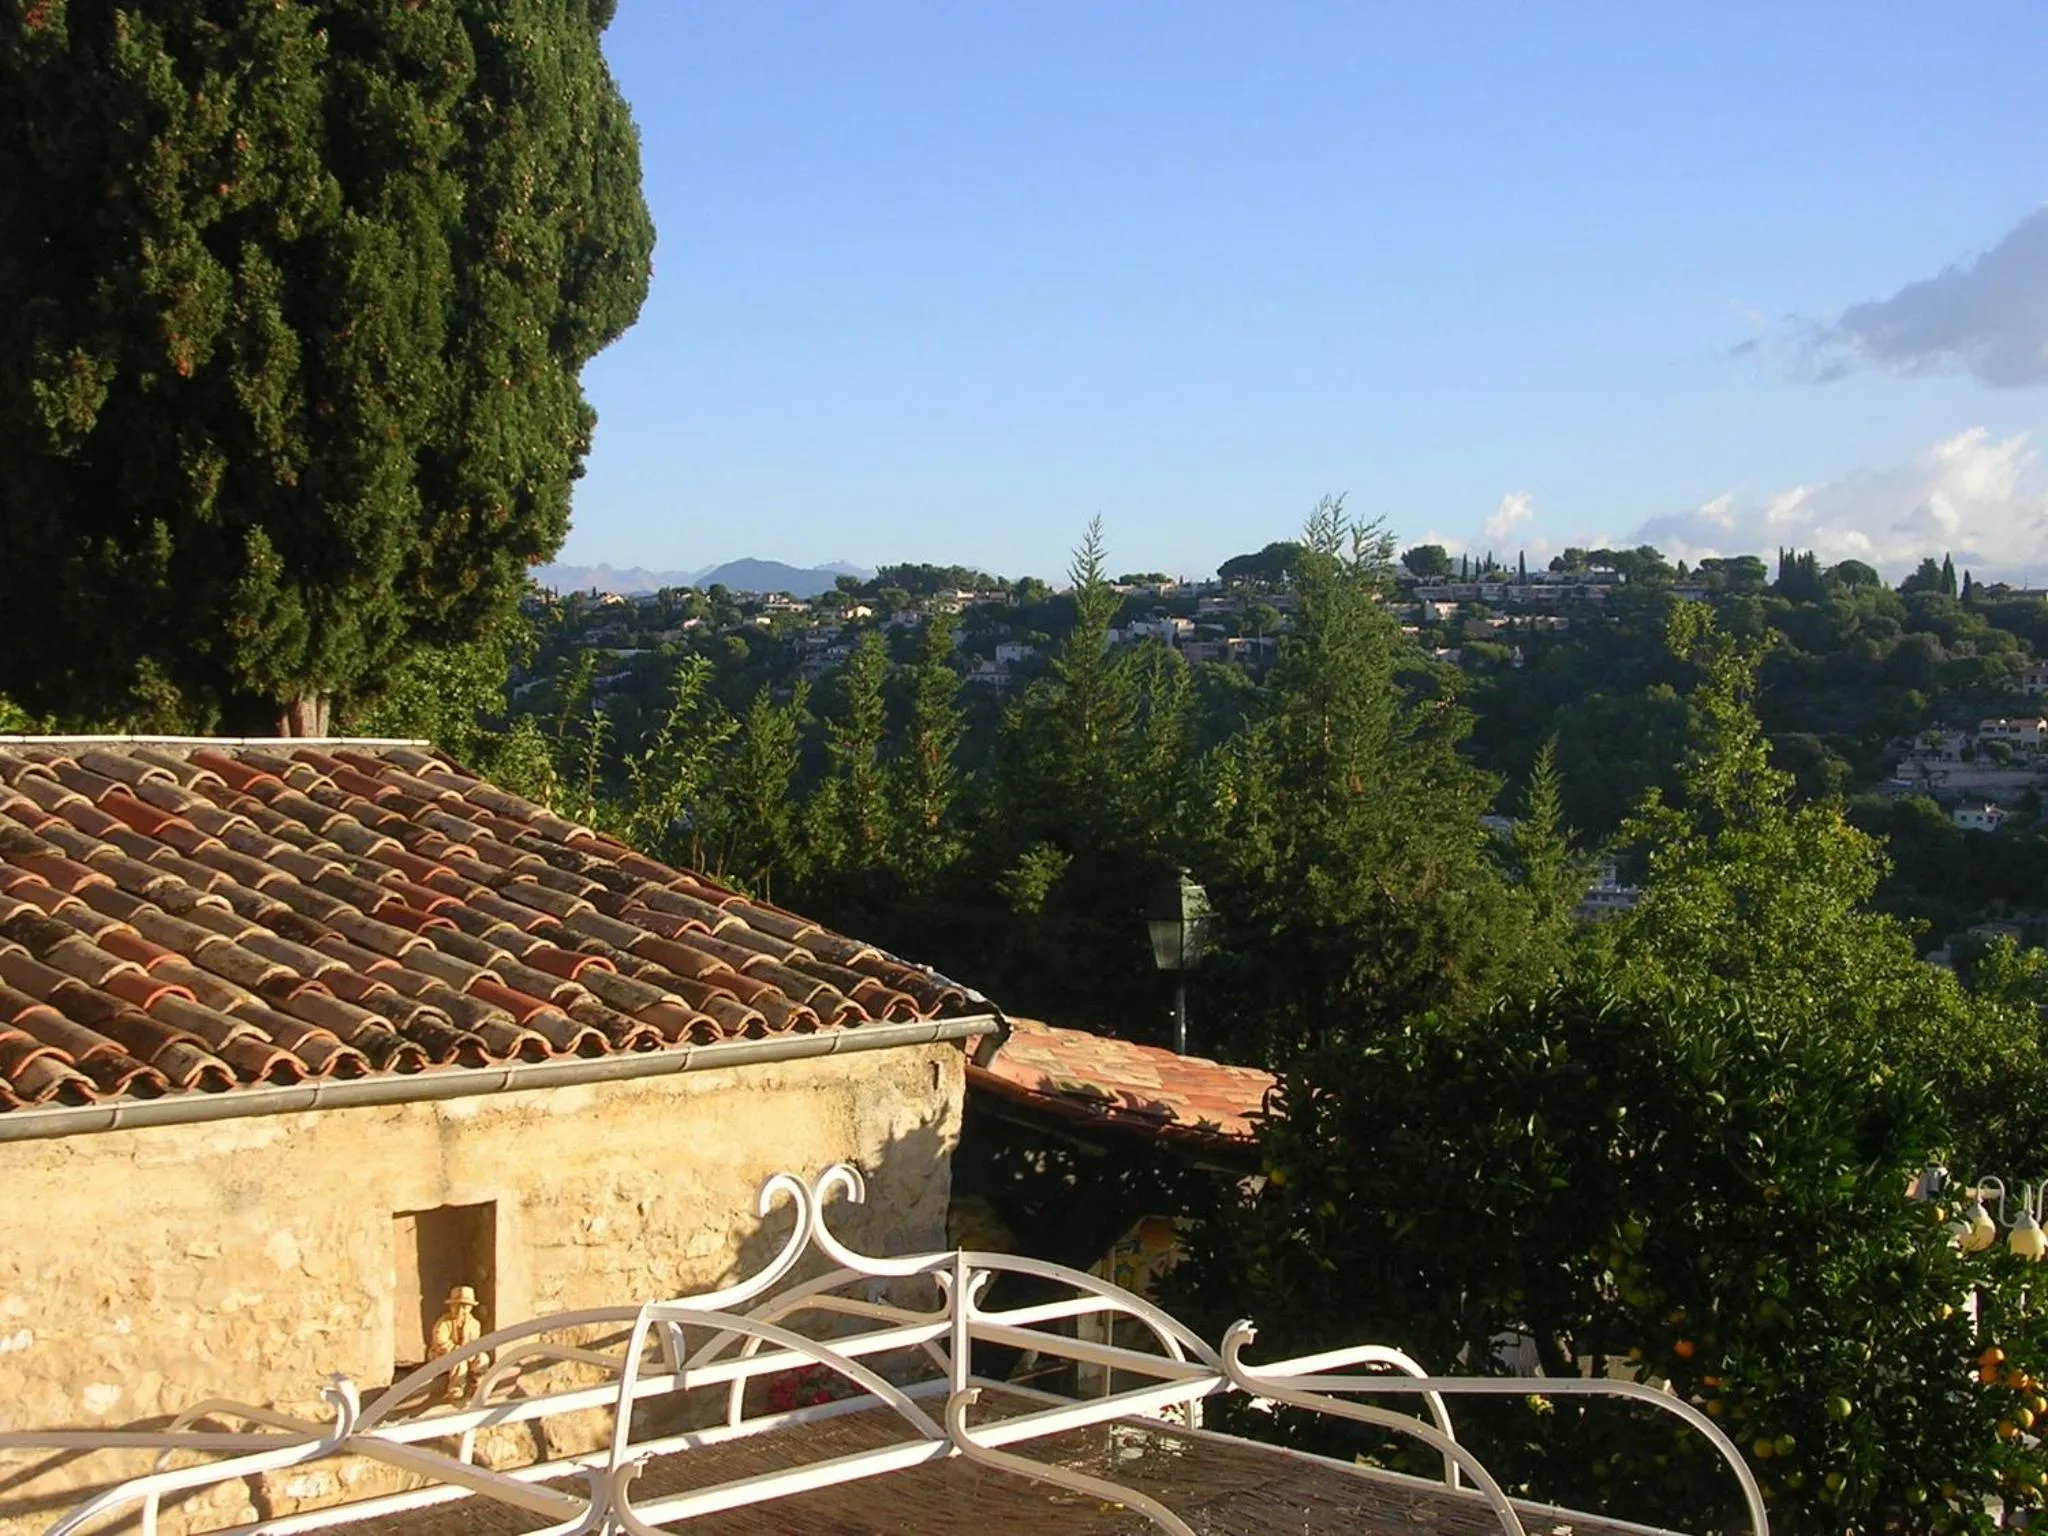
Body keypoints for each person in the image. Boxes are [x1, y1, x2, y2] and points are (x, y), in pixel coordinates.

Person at [426, 1284, 488, 1398]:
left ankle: (478, 1383)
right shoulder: (443, 1323)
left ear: (470, 1308)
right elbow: (440, 1343)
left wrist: (470, 1353)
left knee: (482, 1358)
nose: (460, 1310)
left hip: (466, 1354)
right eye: (456, 1306)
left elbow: (475, 1343)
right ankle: (455, 1390)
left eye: (464, 1307)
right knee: (459, 1361)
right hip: (442, 1355)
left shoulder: (474, 1324)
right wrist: (458, 1350)